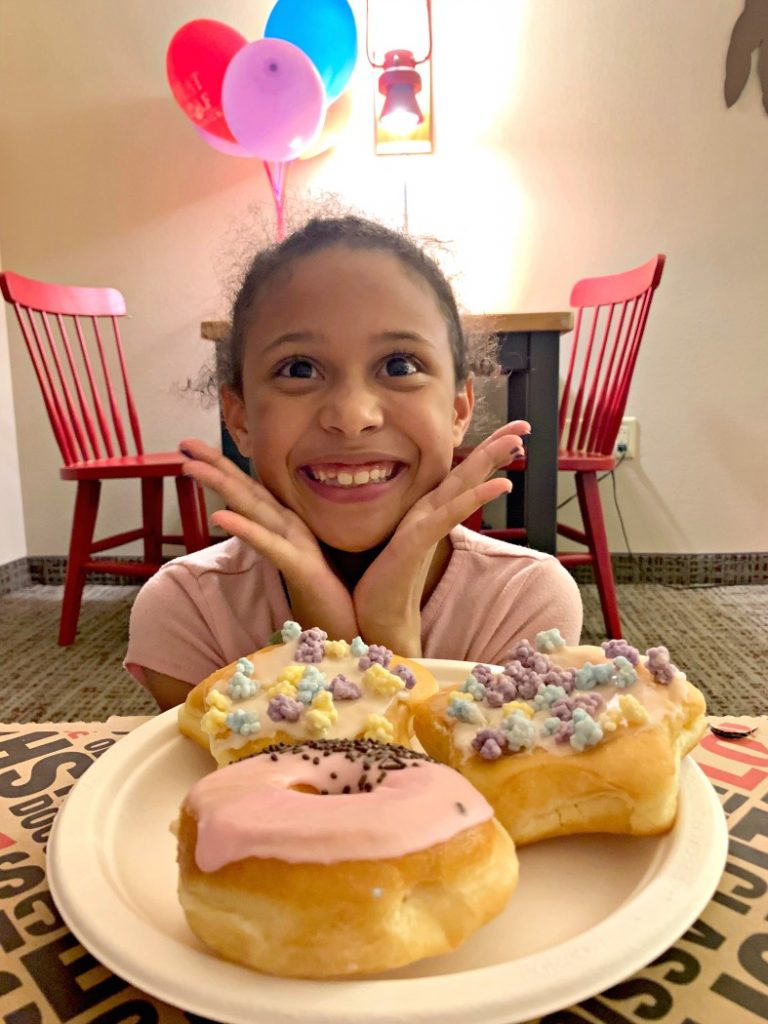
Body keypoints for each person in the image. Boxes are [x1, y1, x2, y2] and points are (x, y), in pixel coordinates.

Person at [125, 214, 582, 710]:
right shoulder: (189, 610)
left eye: (399, 365)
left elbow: (492, 788)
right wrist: (327, 642)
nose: (352, 416)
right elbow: (214, 786)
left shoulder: (522, 599)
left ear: (458, 409)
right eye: (299, 369)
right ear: (240, 419)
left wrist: (392, 631)